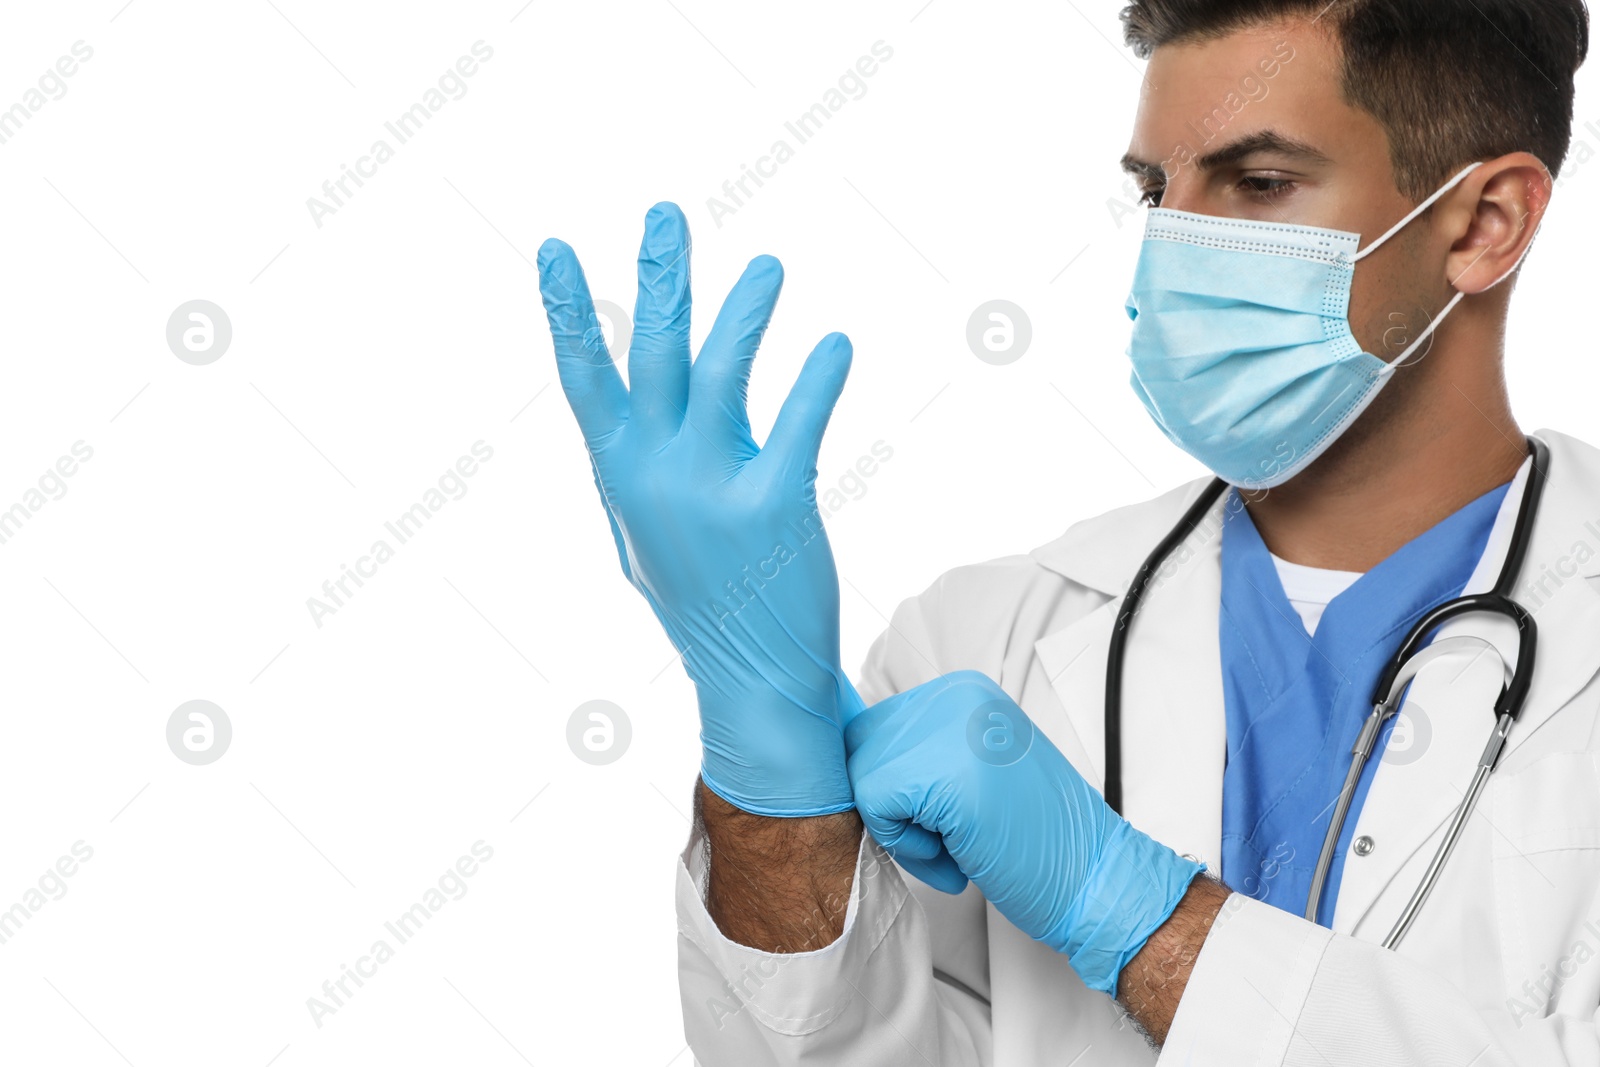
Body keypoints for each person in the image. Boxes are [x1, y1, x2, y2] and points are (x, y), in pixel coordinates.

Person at [536, 0, 1600, 1062]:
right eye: (1155, 190)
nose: (1171, 250)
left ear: (1484, 221)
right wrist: (765, 762)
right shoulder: (983, 641)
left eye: (1258, 182)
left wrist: (1126, 905)